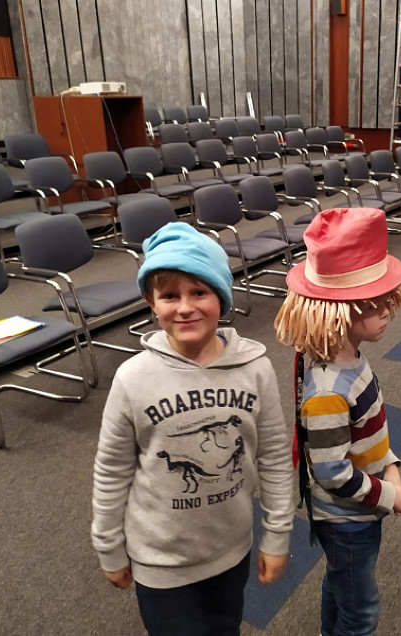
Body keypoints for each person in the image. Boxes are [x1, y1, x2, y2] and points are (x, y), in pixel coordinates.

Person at [91, 222, 295, 636]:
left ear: (221, 295)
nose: (184, 307)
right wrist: (108, 545)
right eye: (170, 296)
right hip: (160, 560)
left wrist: (277, 534)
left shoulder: (255, 370)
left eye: (199, 292)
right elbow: (112, 469)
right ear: (151, 302)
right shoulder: (133, 378)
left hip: (231, 548)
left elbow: (274, 455)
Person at [274, 207, 401, 636]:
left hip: (358, 507)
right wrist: (387, 494)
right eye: (373, 305)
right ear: (335, 312)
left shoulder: (349, 359)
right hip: (347, 519)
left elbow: (364, 433)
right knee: (361, 611)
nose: (386, 311)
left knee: (342, 587)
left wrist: (388, 461)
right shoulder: (328, 392)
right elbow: (332, 472)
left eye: (385, 300)